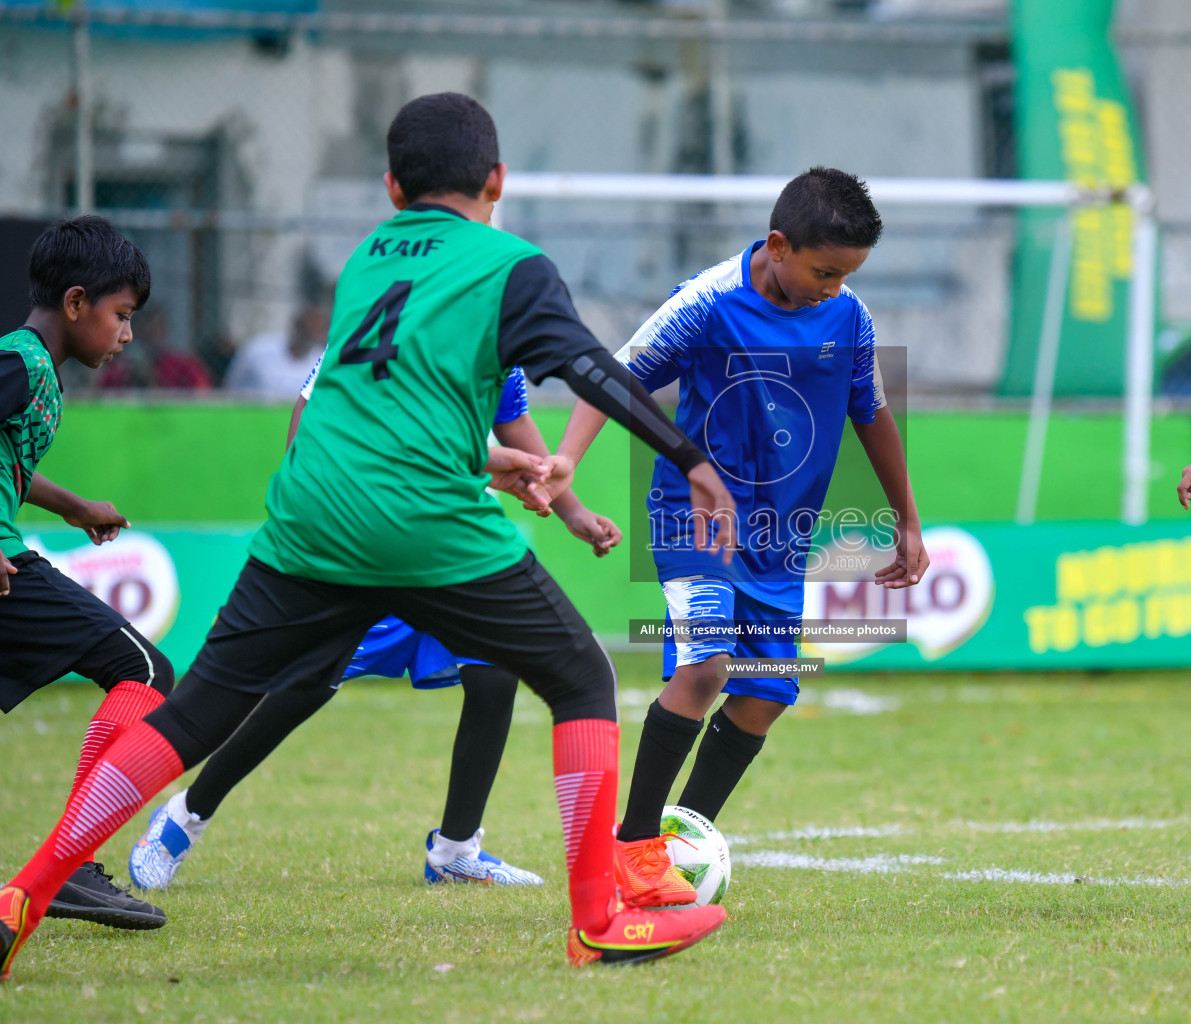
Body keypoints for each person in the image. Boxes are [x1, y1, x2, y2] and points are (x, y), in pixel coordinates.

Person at [0, 91, 740, 980]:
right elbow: (587, 366)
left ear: (391, 187)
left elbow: (378, 403)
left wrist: (489, 460)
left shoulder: (364, 262)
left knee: (192, 710)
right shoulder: (512, 263)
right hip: (422, 523)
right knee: (580, 674)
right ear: (497, 180)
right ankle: (598, 920)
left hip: (309, 517)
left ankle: (25, 893)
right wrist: (688, 457)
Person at [554, 166, 929, 906]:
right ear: (779, 244)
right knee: (704, 669)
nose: (832, 287)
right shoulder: (707, 302)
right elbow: (614, 373)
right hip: (697, 520)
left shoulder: (848, 315)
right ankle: (632, 848)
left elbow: (872, 410)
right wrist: (565, 461)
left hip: (781, 539)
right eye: (823, 271)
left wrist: (906, 518)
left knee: (767, 694)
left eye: (846, 274)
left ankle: (675, 842)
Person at [127, 363, 622, 890]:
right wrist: (309, 508)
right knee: (307, 682)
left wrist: (570, 509)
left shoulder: (499, 338)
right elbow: (313, 411)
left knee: (494, 669)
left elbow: (513, 423)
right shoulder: (384, 313)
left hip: (453, 538)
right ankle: (184, 817)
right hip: (365, 529)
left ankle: (455, 850)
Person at [0, 215, 174, 933]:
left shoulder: (35, 370)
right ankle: (70, 861)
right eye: (122, 316)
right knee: (143, 670)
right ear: (77, 304)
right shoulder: (21, 363)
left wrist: (73, 506)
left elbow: (9, 461)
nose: (127, 334)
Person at [222, 300, 329, 398]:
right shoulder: (258, 349)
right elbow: (232, 384)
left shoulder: (323, 362)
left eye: (318, 328)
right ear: (296, 324)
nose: (311, 332)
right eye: (309, 325)